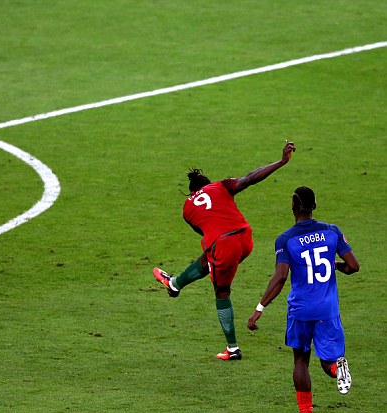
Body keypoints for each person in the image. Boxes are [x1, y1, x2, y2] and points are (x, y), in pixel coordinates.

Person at [153, 141, 296, 360]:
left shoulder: (187, 209)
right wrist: (281, 161)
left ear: (192, 192)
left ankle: (232, 349)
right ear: (208, 185)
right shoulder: (221, 186)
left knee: (222, 292)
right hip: (245, 238)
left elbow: (202, 230)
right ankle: (174, 284)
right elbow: (250, 178)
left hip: (223, 245)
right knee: (208, 255)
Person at [247, 186, 359, 413]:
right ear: (314, 207)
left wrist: (260, 308)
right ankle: (339, 369)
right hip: (327, 310)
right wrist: (332, 263)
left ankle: (306, 410)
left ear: (293, 207)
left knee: (300, 360)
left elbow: (280, 277)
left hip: (300, 310)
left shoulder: (286, 239)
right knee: (328, 361)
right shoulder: (332, 231)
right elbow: (353, 266)